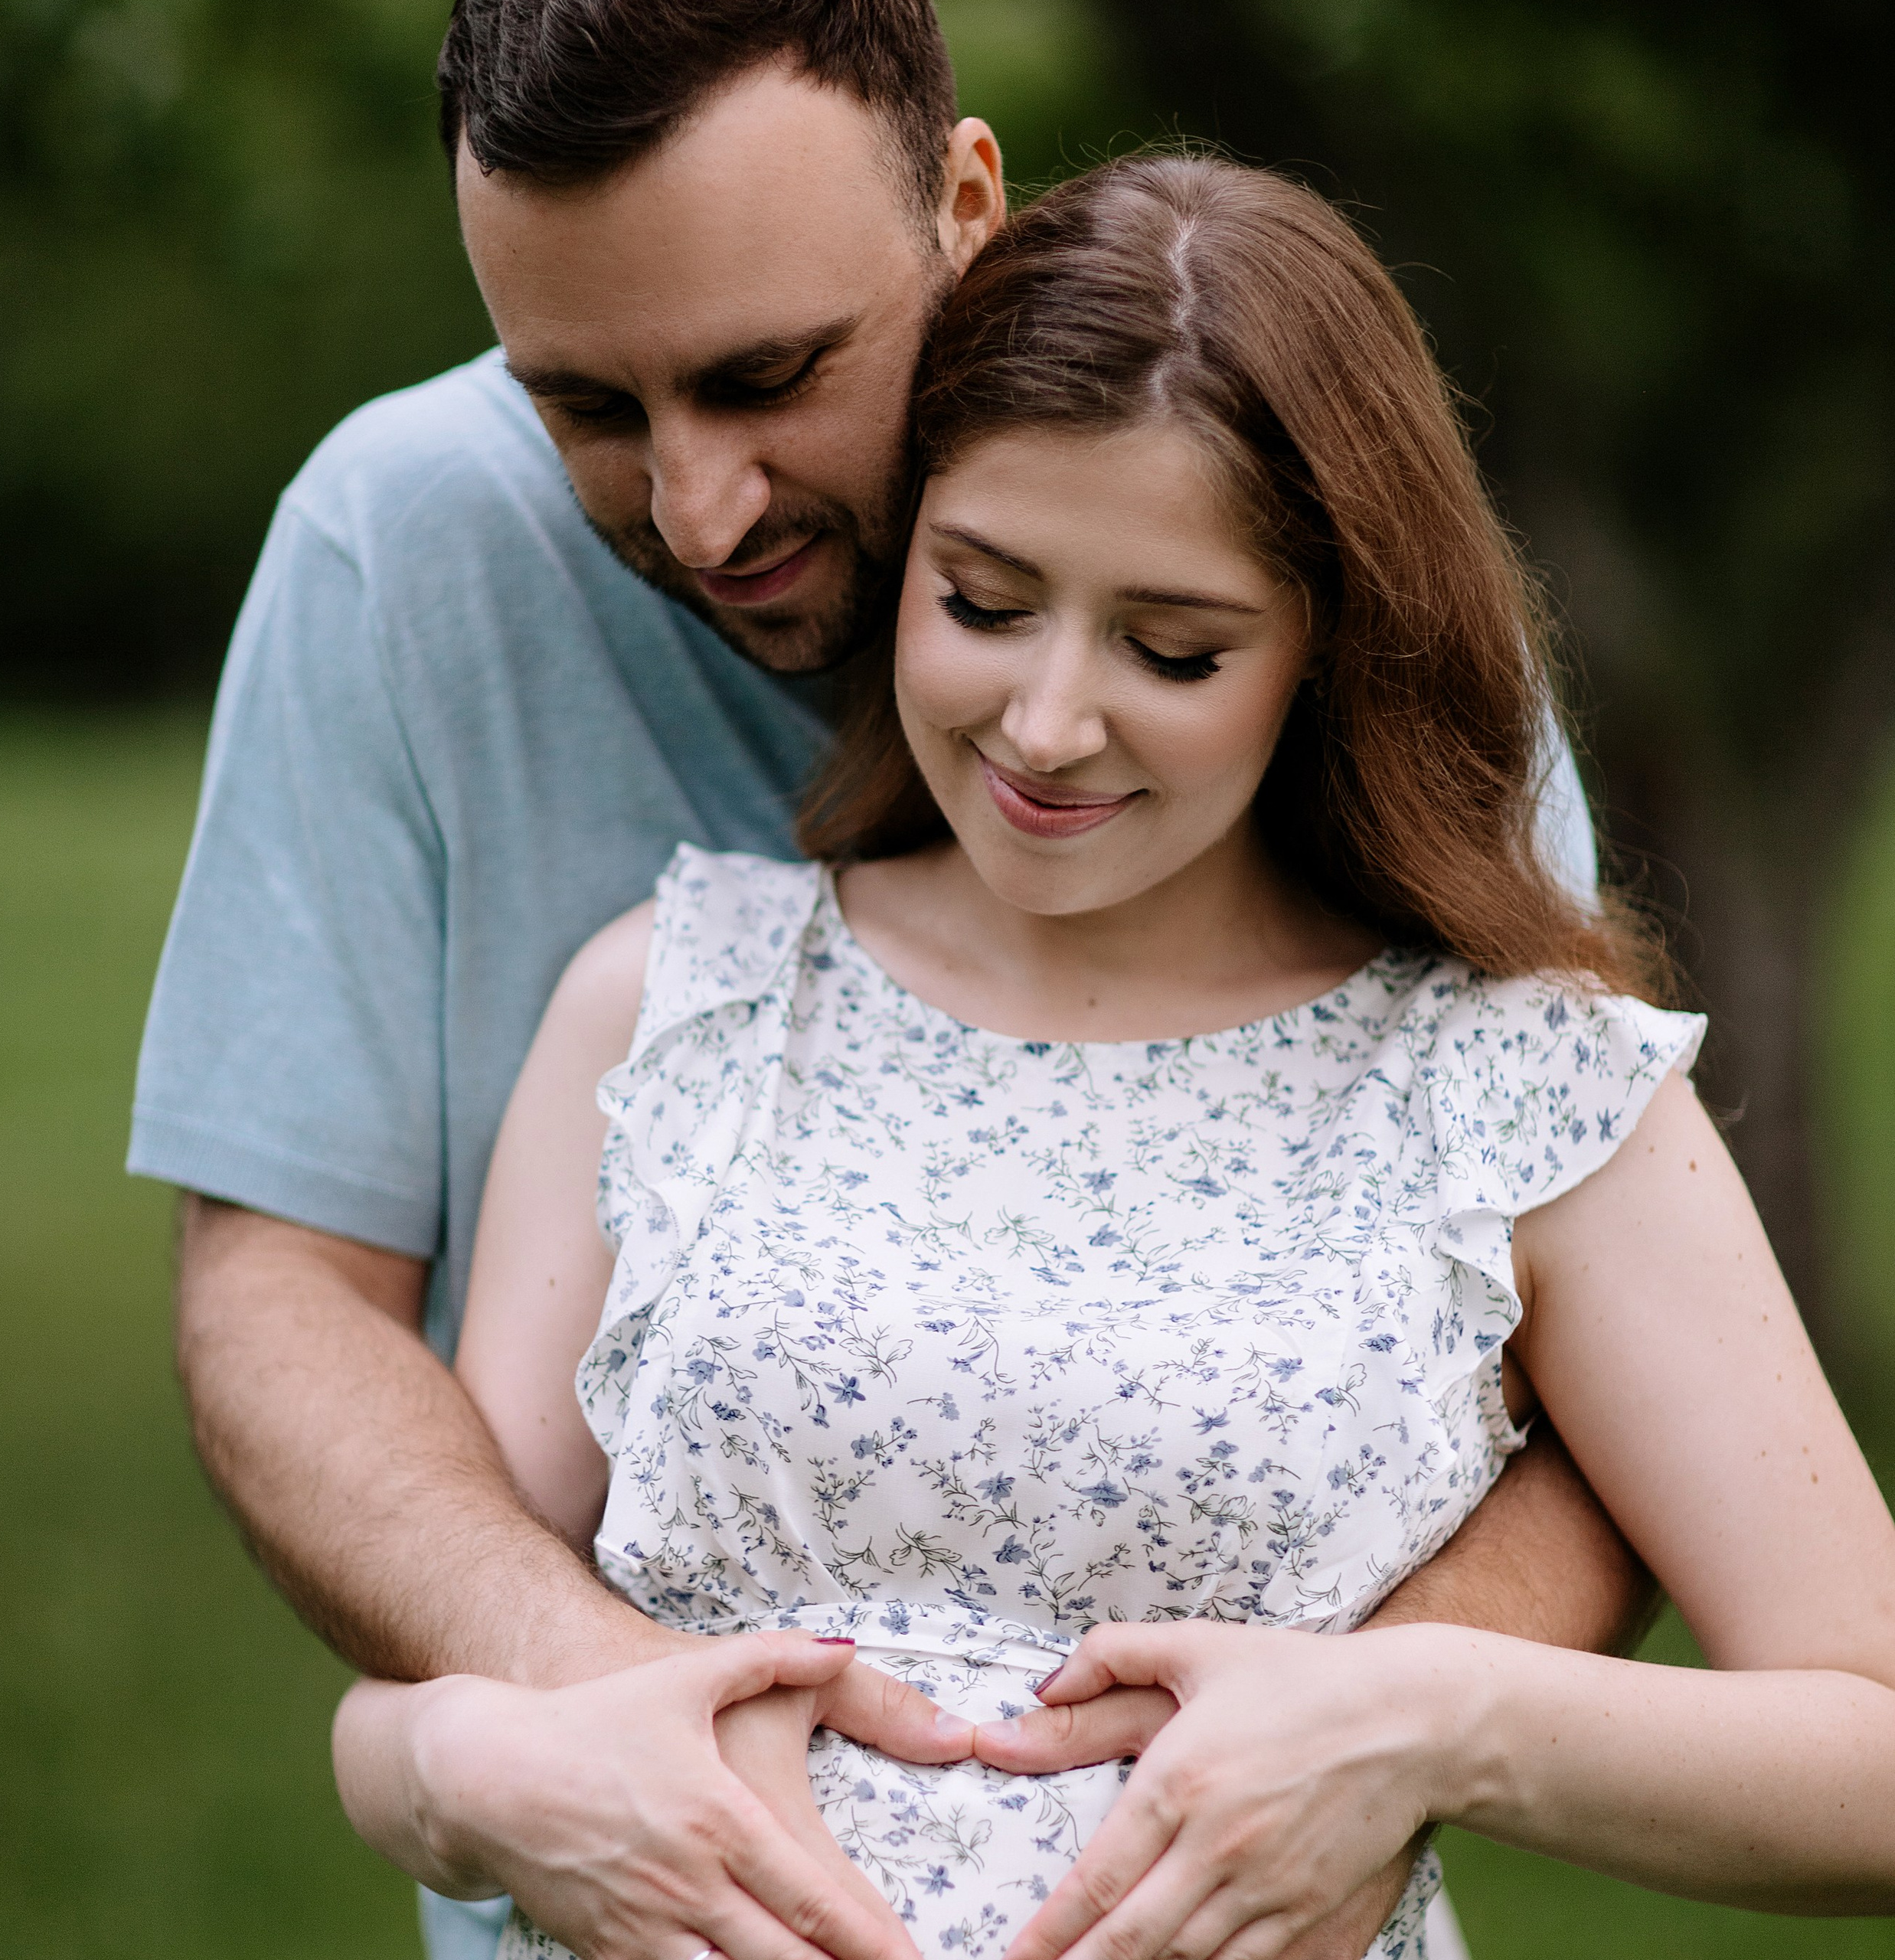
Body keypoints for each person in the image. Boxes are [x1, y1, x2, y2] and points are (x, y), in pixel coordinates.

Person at [131, 7, 1645, 1959]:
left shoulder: (1322, 591)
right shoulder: (395, 546)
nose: (697, 508)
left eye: (768, 377)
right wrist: (579, 1698)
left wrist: (1356, 1741)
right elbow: (277, 1293)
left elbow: (1596, 1364)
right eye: (583, 406)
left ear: (962, 205)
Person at [328, 152, 1895, 1960]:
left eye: (1170, 645)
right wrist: (457, 1769)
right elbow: (417, 1689)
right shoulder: (676, 1004)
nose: (1048, 723)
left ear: (1323, 639)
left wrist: (1427, 1722)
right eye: (983, 603)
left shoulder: (1512, 1085)